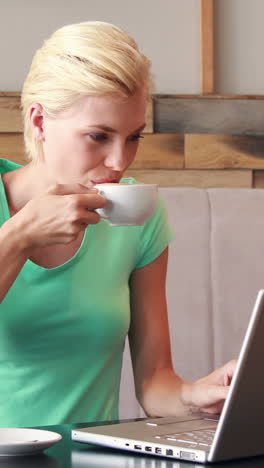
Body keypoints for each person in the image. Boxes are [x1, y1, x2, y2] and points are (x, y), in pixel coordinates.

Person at [0, 21, 235, 428]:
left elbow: (155, 383)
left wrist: (198, 395)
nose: (119, 162)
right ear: (39, 122)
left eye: (133, 137)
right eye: (98, 136)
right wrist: (19, 237)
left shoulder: (138, 218)